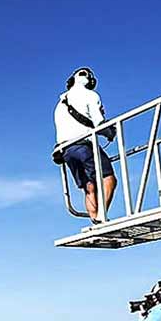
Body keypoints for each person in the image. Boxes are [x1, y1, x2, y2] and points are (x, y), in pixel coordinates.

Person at [53, 66, 117, 223]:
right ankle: (102, 216)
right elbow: (98, 122)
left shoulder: (60, 104)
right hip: (84, 145)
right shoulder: (90, 95)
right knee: (109, 178)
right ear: (90, 81)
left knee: (89, 187)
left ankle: (94, 219)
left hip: (66, 150)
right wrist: (110, 132)